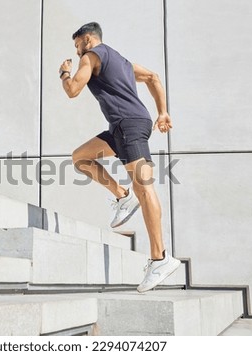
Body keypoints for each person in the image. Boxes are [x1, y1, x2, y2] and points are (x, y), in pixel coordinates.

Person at [59, 22, 180, 293]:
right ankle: (122, 195)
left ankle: (160, 259)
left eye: (77, 46)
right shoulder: (122, 62)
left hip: (128, 125)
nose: (78, 53)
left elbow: (72, 90)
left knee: (145, 190)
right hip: (123, 126)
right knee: (80, 157)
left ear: (88, 40)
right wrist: (162, 112)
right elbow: (153, 77)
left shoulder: (92, 57)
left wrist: (64, 74)